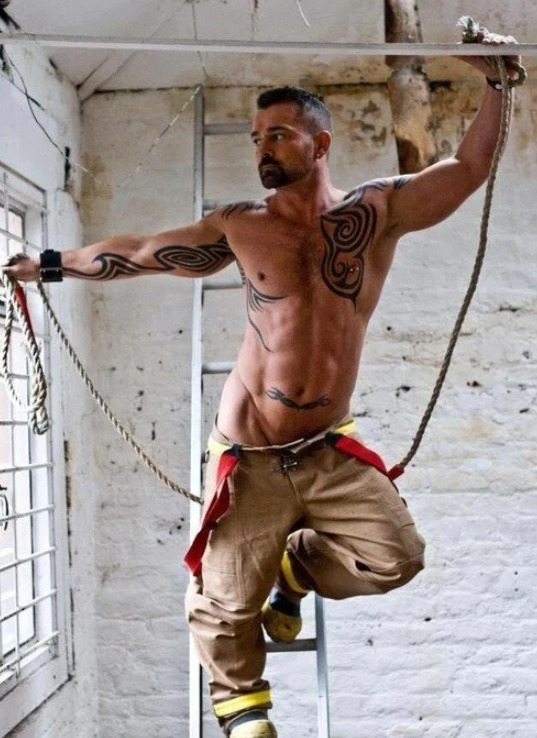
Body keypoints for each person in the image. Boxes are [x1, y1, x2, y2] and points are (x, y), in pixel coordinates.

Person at [3, 28, 520, 738]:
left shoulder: (374, 214)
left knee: (396, 558)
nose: (262, 149)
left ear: (320, 143)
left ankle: (296, 570)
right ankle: (245, 712)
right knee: (224, 607)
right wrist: (50, 264)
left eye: (278, 135)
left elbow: (466, 167)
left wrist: (497, 83)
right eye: (256, 138)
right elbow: (143, 252)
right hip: (249, 459)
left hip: (326, 450)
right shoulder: (241, 226)